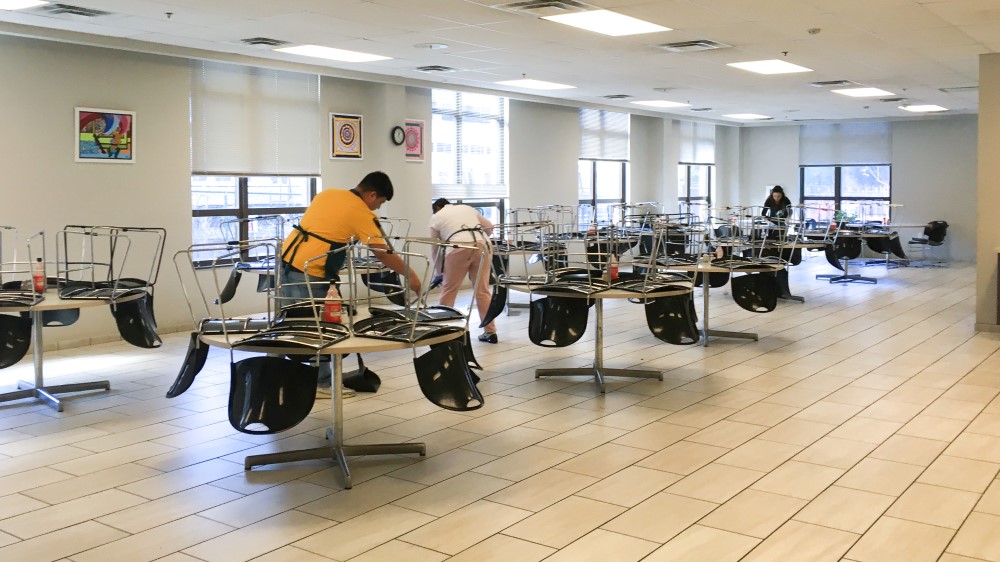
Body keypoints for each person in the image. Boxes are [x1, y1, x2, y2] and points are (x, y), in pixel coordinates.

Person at [279, 171, 423, 396]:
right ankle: (322, 383)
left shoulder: (328, 194)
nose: (377, 208)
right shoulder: (361, 212)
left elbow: (327, 227)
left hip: (288, 259)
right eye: (379, 203)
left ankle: (273, 377)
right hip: (309, 270)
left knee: (288, 322)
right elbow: (383, 252)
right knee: (320, 326)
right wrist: (410, 274)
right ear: (372, 194)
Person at [428, 198, 498, 343]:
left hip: (458, 246)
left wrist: (438, 273)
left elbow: (435, 248)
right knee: (483, 290)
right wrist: (479, 240)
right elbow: (490, 227)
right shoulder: (466, 208)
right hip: (483, 246)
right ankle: (490, 332)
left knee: (449, 290)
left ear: (437, 207)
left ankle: (444, 330)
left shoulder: (436, 217)